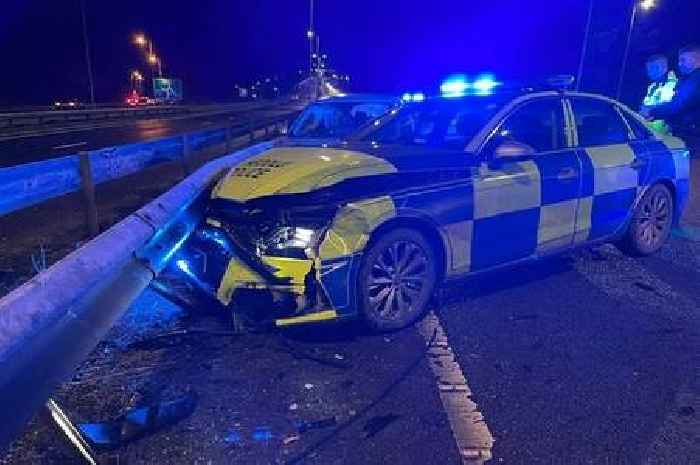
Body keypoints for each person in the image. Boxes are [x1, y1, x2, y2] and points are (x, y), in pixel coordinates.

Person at [642, 45, 700, 151]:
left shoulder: (692, 81)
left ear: (696, 59)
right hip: (662, 136)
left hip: (684, 136)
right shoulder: (653, 87)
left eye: (683, 60)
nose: (679, 64)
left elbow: (677, 105)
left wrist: (651, 112)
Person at [641, 54, 677, 134]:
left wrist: (649, 110)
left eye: (651, 68)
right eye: (647, 69)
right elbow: (646, 105)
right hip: (652, 130)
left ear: (662, 68)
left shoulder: (672, 83)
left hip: (666, 134)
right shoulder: (652, 86)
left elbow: (668, 106)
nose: (648, 72)